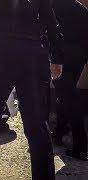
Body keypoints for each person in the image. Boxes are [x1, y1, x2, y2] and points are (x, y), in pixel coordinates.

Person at [0, 0, 63, 179]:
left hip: (0, 51)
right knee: (37, 123)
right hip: (31, 52)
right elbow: (48, 15)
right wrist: (57, 57)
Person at [51, 0, 88, 161]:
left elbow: (51, 30)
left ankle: (81, 147)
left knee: (69, 99)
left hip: (61, 57)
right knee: (65, 96)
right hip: (78, 57)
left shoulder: (54, 4)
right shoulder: (81, 8)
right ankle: (60, 131)